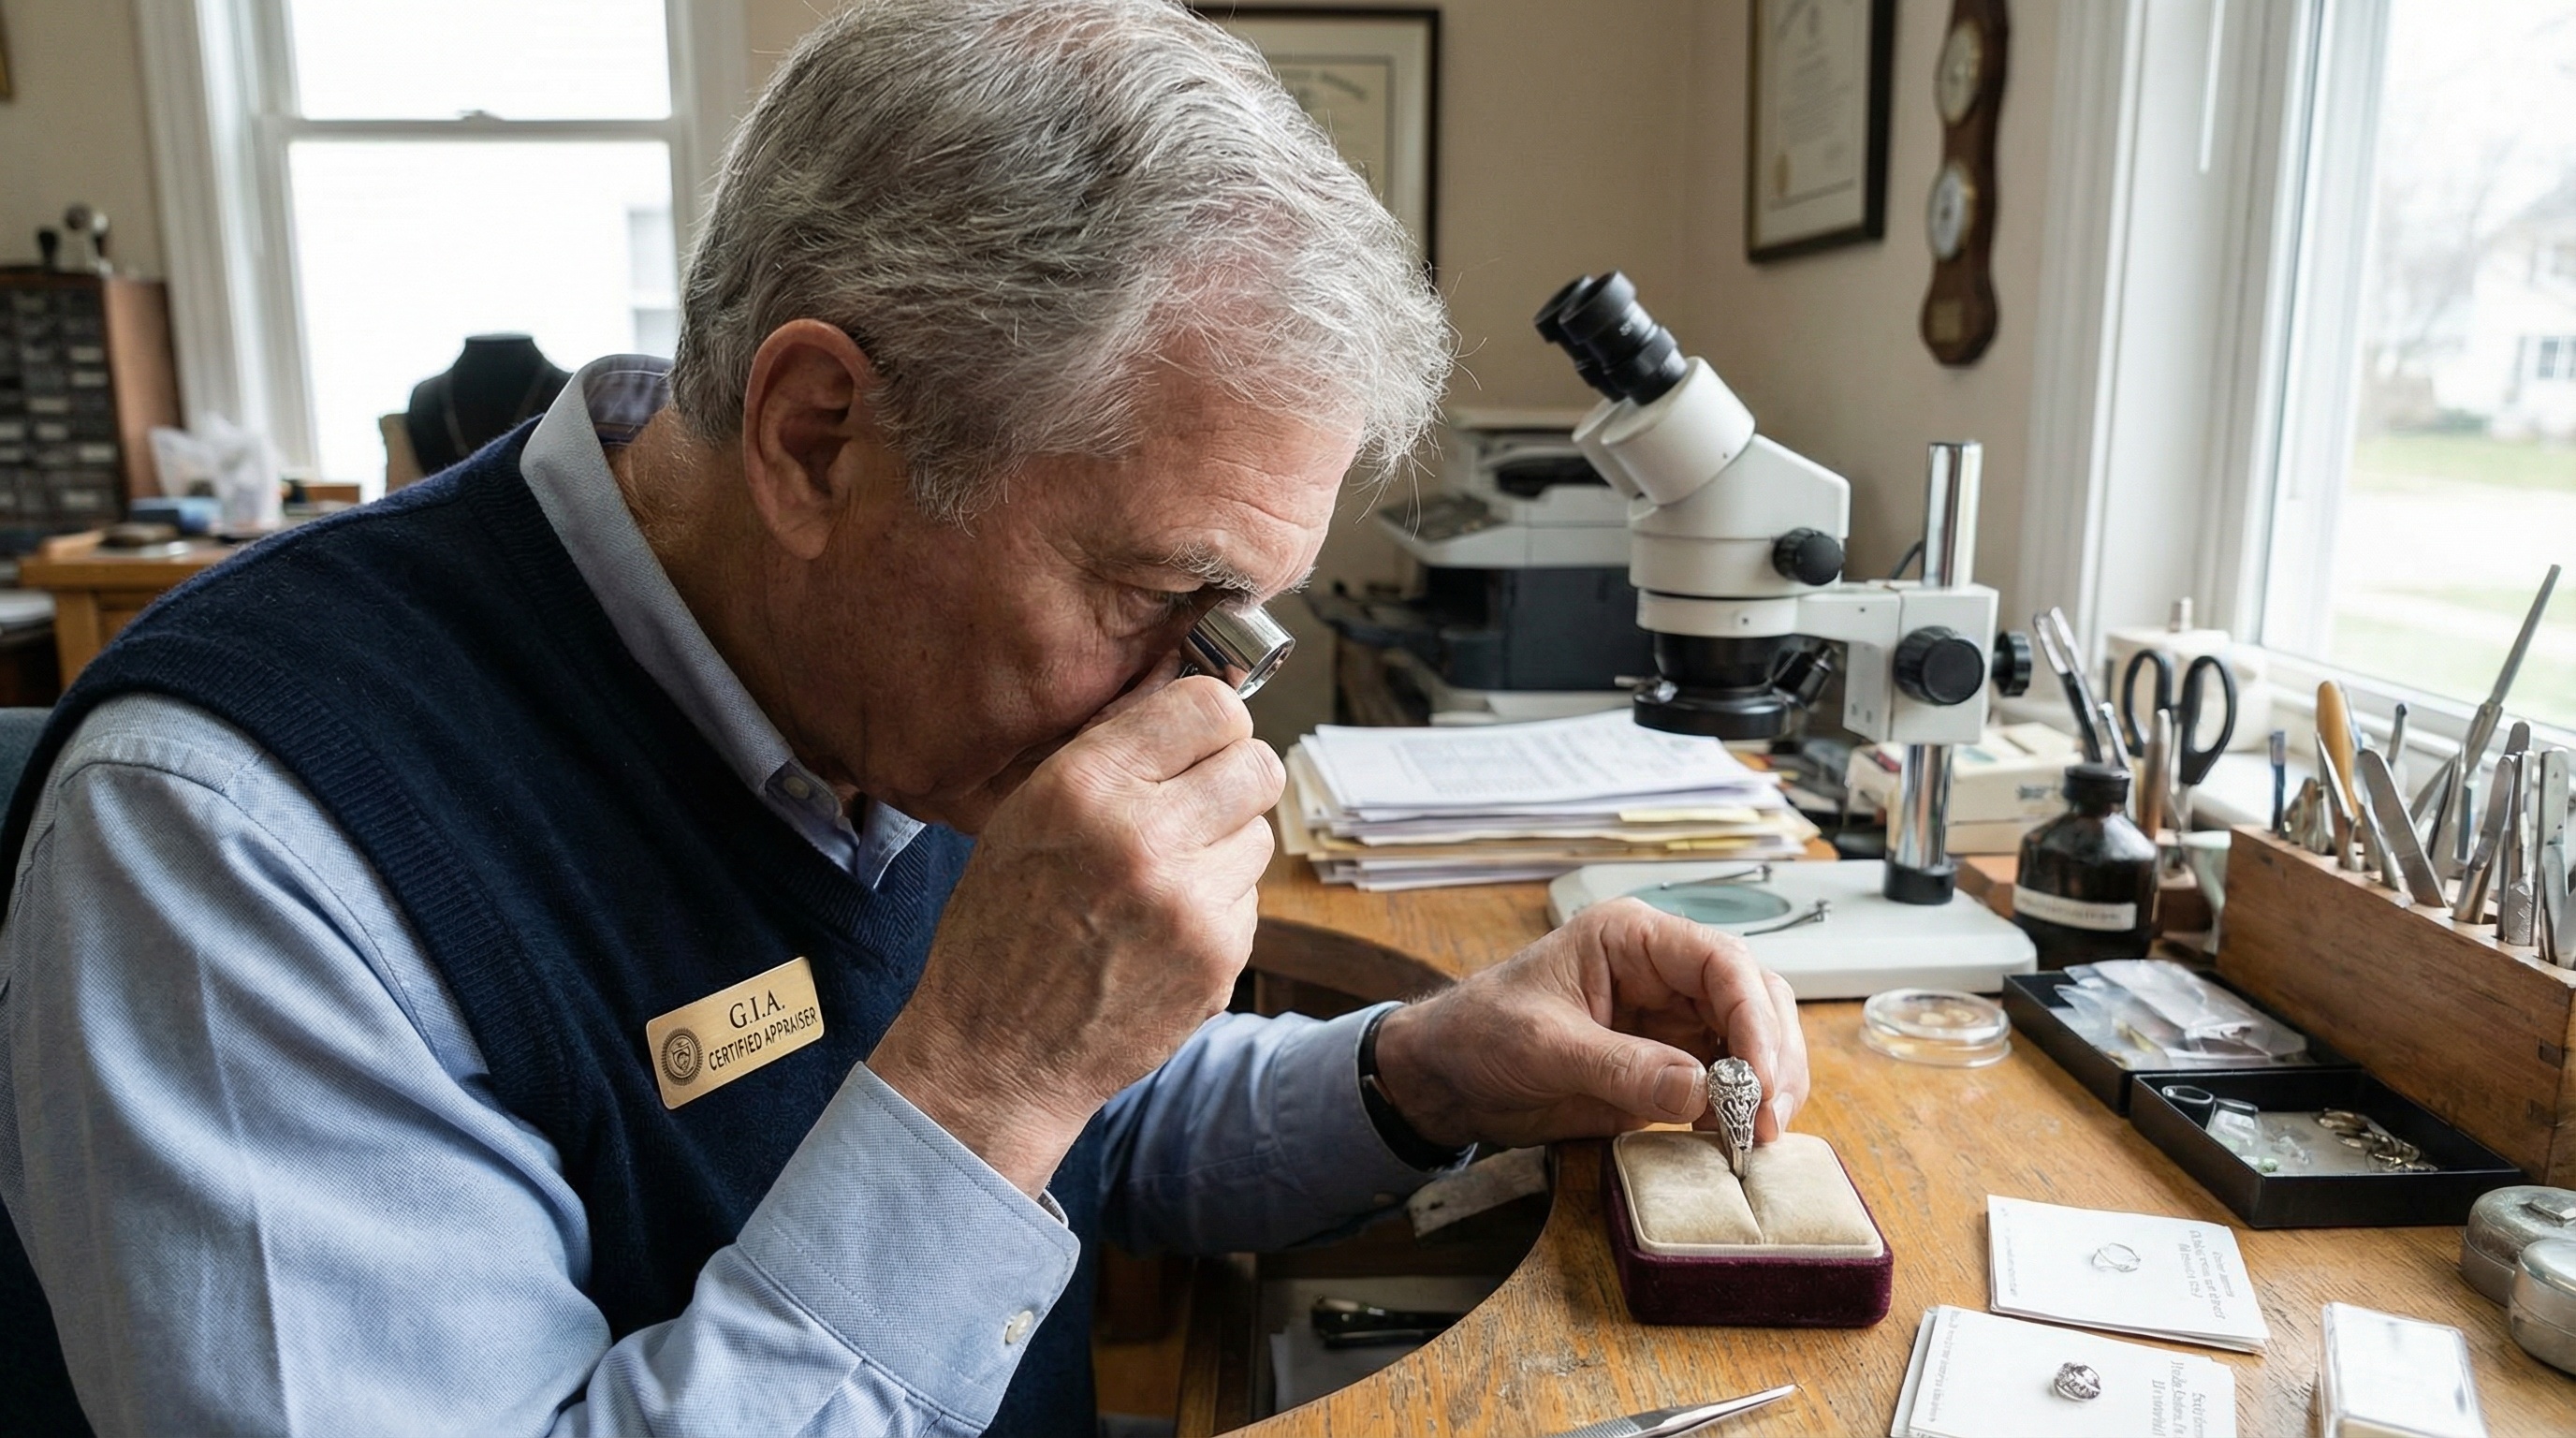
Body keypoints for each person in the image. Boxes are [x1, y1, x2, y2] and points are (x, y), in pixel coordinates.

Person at [0, 2, 1809, 1434]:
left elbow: (1090, 1132)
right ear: (818, 439)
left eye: (1237, 625)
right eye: (1159, 599)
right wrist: (990, 1078)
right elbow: (996, 1100)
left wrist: (1426, 1071)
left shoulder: (876, 674)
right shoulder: (232, 847)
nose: (1196, 699)